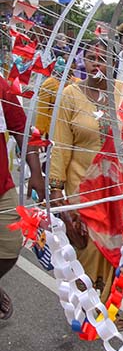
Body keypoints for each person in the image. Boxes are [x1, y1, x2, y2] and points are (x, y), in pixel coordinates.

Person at [49, 41, 123, 331]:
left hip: (119, 191)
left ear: (112, 63)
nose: (97, 64)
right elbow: (59, 146)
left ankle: (110, 307)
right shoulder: (70, 95)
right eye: (91, 59)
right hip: (83, 191)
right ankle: (89, 308)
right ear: (83, 62)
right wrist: (58, 194)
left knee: (120, 252)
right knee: (89, 250)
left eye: (103, 59)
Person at [0, 75, 45, 320]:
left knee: (10, 249)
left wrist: (36, 174)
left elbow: (23, 131)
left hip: (2, 186)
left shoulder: (0, 86)